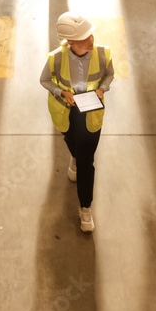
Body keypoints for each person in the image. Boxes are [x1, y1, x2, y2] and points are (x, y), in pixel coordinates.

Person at [40, 12, 115, 232]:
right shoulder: (56, 58)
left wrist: (103, 88)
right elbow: (44, 80)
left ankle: (85, 207)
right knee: (72, 143)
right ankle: (74, 155)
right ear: (71, 43)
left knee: (86, 163)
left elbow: (109, 75)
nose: (91, 40)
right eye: (85, 38)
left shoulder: (102, 54)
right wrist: (61, 92)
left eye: (91, 35)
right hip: (67, 112)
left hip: (91, 113)